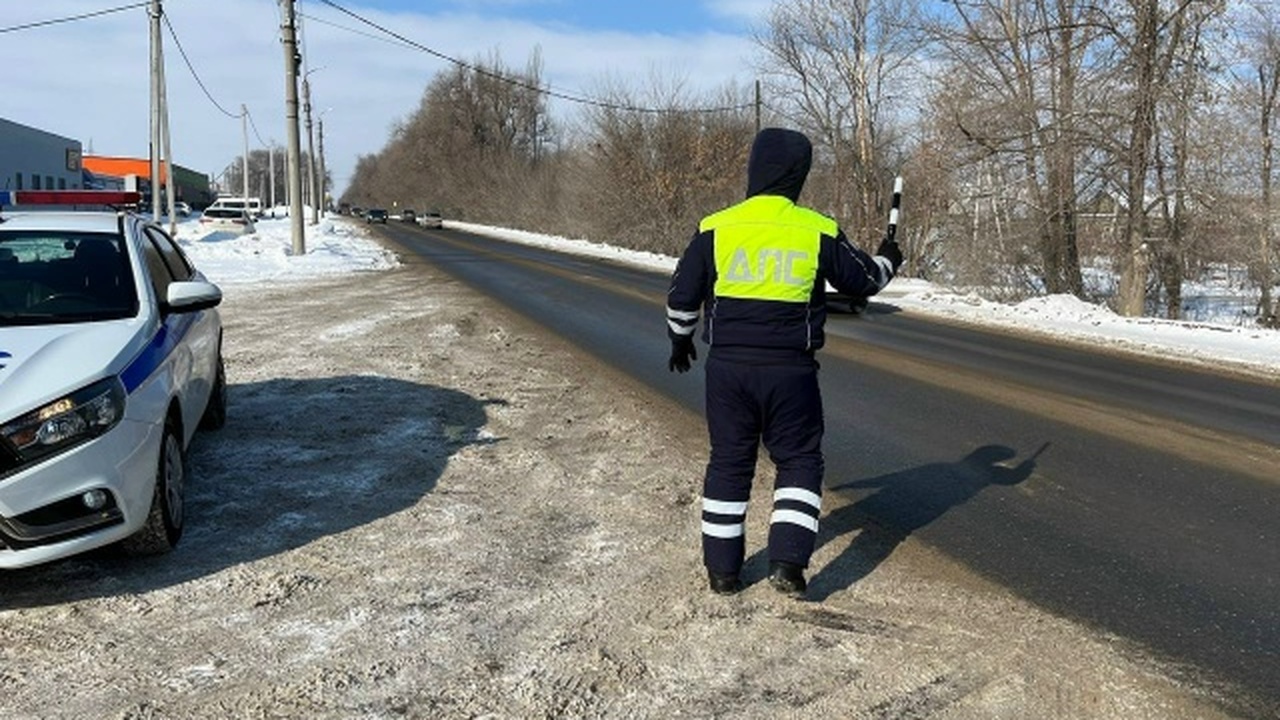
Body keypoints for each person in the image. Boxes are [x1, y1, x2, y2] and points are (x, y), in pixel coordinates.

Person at [665, 127, 902, 597]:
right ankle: (789, 565)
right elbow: (862, 282)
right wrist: (889, 258)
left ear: (755, 168)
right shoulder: (816, 229)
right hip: (791, 371)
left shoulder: (716, 226)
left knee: (729, 462)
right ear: (799, 174)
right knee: (798, 460)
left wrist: (680, 340)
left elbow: (681, 294)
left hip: (727, 370)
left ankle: (723, 573)